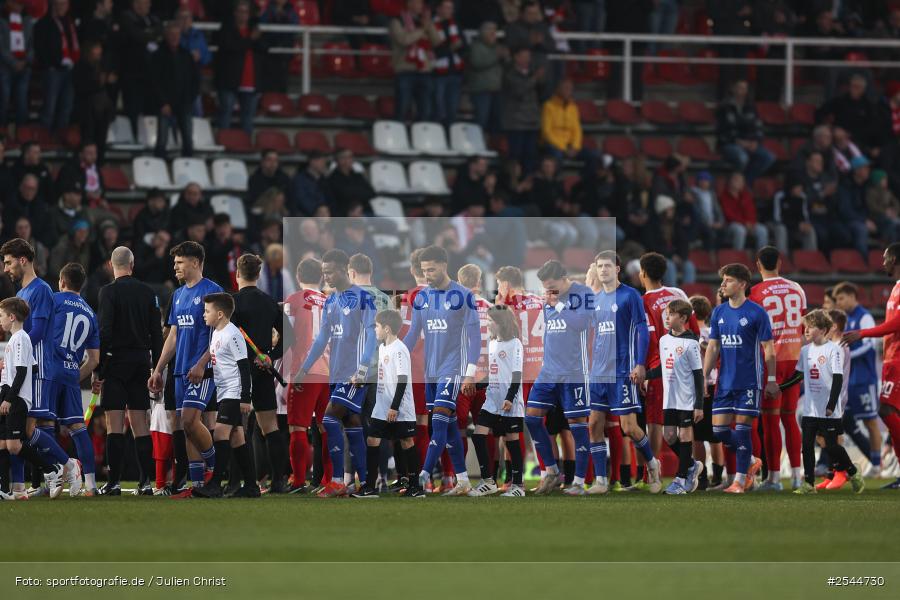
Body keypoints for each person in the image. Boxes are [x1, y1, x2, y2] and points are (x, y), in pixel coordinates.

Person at [295, 249, 378, 497]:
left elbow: (372, 335)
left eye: (330, 272)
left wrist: (363, 369)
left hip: (355, 373)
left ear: (344, 269)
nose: (326, 277)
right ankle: (363, 482)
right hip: (337, 372)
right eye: (323, 272)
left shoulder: (364, 298)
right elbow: (322, 339)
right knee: (351, 423)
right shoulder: (331, 300)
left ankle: (338, 481)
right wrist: (304, 369)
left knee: (329, 418)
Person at [1, 238, 79, 497]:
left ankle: (67, 465)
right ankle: (24, 486)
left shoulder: (41, 290)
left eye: (9, 262)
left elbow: (39, 331)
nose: (6, 268)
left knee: (26, 429)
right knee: (22, 429)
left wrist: (13, 348)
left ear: (23, 260)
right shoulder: (21, 294)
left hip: (36, 368)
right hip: (23, 367)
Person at [402, 245, 481, 495]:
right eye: (424, 270)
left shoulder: (464, 296)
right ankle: (463, 481)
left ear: (444, 266)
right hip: (431, 371)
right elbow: (413, 334)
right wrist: (391, 356)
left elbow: (475, 339)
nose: (427, 275)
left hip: (453, 369)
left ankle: (422, 477)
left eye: (432, 269)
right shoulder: (422, 298)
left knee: (437, 422)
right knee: (447, 428)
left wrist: (469, 373)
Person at [148, 241, 222, 498]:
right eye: (175, 262)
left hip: (202, 370)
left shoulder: (212, 292)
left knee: (191, 421)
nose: (175, 267)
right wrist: (158, 369)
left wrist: (202, 364)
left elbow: (218, 337)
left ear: (195, 262)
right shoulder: (178, 295)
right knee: (187, 425)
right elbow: (173, 336)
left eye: (180, 262)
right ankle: (198, 485)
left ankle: (216, 468)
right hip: (180, 370)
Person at [586, 252, 660, 495]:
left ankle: (652, 464)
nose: (604, 270)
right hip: (599, 372)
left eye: (608, 266)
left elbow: (642, 331)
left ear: (617, 269)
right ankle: (600, 481)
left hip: (622, 371)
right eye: (600, 266)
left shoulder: (630, 296)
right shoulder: (596, 299)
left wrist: (640, 364)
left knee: (628, 427)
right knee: (594, 424)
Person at [703, 263, 778, 494]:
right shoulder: (719, 312)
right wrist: (705, 377)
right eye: (723, 280)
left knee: (743, 430)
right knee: (719, 432)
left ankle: (740, 480)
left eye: (728, 280)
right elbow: (713, 347)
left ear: (742, 284)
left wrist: (772, 378)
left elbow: (769, 349)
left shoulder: (757, 312)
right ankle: (752, 459)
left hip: (749, 381)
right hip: (724, 381)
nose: (723, 284)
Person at [95, 246, 162, 496]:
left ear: (112, 265)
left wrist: (99, 370)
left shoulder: (108, 292)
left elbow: (105, 331)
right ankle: (146, 482)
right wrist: (156, 367)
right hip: (141, 362)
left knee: (114, 424)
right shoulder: (148, 293)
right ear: (132, 265)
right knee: (139, 424)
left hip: (115, 362)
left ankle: (113, 482)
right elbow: (156, 333)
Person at [522, 259, 593, 495]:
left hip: (573, 372)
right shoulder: (549, 300)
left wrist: (559, 305)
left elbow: (582, 323)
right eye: (545, 288)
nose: (548, 292)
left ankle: (579, 482)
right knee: (532, 417)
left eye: (552, 286)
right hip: (549, 371)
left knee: (578, 427)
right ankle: (552, 471)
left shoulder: (583, 293)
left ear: (564, 279)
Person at [782, 310, 863, 495]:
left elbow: (837, 378)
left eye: (811, 327)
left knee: (832, 446)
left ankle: (852, 471)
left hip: (829, 409)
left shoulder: (834, 349)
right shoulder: (805, 351)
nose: (807, 330)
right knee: (807, 446)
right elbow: (799, 375)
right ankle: (809, 484)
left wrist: (831, 405)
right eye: (806, 326)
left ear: (824, 329)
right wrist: (780, 388)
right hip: (810, 408)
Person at [841, 242, 900, 489]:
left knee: (885, 409)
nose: (882, 262)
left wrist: (864, 333)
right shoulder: (896, 287)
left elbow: (897, 323)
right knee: (888, 411)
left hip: (898, 360)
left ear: (896, 259)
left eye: (886, 257)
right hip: (890, 358)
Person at [749, 246, 808, 491]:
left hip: (769, 359)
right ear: (780, 263)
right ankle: (797, 474)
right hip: (795, 359)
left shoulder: (755, 292)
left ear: (757, 265)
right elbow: (804, 326)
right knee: (790, 418)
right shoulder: (797, 289)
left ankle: (773, 478)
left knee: (770, 420)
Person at [230, 253, 288, 493]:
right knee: (270, 426)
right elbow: (289, 337)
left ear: (237, 275)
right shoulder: (269, 302)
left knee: (236, 427)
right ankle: (278, 481)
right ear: (258, 274)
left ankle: (236, 482)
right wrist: (270, 356)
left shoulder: (231, 303)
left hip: (237, 370)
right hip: (263, 368)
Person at [191, 293, 256, 498]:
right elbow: (223, 365)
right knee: (237, 438)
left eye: (207, 311)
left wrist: (245, 397)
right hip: (225, 391)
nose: (204, 315)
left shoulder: (232, 334)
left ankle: (216, 484)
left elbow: (243, 368)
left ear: (219, 314)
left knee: (220, 433)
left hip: (234, 392)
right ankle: (252, 486)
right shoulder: (217, 333)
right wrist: (203, 374)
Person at [352, 309, 423, 498]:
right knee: (372, 439)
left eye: (376, 326)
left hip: (399, 407)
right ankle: (370, 487)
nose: (375, 330)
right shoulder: (383, 347)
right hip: (382, 406)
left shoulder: (399, 349)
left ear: (387, 328)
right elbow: (383, 374)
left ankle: (416, 487)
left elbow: (402, 379)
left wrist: (395, 406)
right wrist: (362, 379)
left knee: (406, 441)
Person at [0, 297, 66, 501]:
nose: (0, 320)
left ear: (12, 317)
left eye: (1, 316)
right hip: (8, 394)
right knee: (2, 444)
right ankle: (4, 489)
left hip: (16, 398)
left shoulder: (20, 338)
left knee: (14, 446)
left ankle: (52, 468)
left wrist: (10, 398)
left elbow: (21, 372)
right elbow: (32, 367)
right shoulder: (16, 339)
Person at [638, 252, 700, 468]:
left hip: (660, 366)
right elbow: (695, 332)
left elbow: (650, 339)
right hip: (684, 367)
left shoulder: (644, 301)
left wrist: (646, 371)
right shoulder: (679, 293)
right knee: (682, 423)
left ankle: (651, 474)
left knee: (655, 423)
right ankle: (689, 468)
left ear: (642, 273)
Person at [47, 262, 99, 496]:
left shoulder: (54, 300)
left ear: (62, 281)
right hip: (70, 373)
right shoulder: (90, 312)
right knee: (78, 427)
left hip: (49, 370)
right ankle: (90, 484)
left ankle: (59, 474)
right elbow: (94, 359)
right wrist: (74, 376)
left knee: (42, 425)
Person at [468, 304, 526, 497]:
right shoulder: (492, 343)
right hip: (492, 400)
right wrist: (476, 385)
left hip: (510, 401)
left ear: (500, 323)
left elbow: (517, 374)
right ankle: (488, 481)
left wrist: (510, 397)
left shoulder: (515, 344)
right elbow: (493, 374)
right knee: (478, 435)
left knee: (512, 442)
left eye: (490, 321)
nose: (487, 323)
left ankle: (518, 486)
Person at [284, 258, 330, 493]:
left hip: (304, 371)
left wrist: (282, 376)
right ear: (321, 277)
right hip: (329, 371)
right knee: (326, 428)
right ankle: (329, 479)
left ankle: (299, 480)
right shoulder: (329, 301)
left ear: (298, 276)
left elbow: (286, 339)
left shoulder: (293, 300)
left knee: (298, 428)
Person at [650, 299, 705, 495]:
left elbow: (699, 376)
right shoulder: (664, 340)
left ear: (682, 318)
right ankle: (691, 466)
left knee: (683, 435)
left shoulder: (691, 344)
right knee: (669, 436)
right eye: (667, 313)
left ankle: (681, 480)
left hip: (687, 398)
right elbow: (662, 368)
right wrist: (645, 376)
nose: (667, 317)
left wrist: (699, 405)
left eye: (671, 314)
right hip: (669, 399)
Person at [833, 281, 884, 477]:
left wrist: (844, 355)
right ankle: (838, 466)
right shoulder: (843, 319)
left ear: (852, 296)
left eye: (841, 298)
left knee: (870, 421)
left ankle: (877, 465)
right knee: (840, 422)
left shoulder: (864, 317)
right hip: (848, 380)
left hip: (864, 379)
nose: (839, 303)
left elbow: (869, 345)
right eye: (837, 300)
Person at [689, 294, 725, 490]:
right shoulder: (714, 332)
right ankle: (718, 476)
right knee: (715, 437)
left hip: (698, 388)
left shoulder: (692, 335)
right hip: (715, 386)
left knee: (698, 437)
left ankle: (702, 477)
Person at [214, 0, 266, 134]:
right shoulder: (226, 29)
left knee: (248, 118)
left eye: (246, 12)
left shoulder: (253, 29)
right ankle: (223, 145)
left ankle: (245, 146)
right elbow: (231, 48)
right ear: (235, 13)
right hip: (229, 81)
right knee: (226, 114)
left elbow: (264, 48)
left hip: (251, 82)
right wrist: (251, 39)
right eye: (241, 11)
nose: (243, 15)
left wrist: (255, 38)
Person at [151, 21, 197, 159]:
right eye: (171, 34)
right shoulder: (158, 55)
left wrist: (190, 99)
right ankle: (159, 166)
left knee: (188, 139)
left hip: (184, 103)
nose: (174, 37)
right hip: (165, 103)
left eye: (177, 34)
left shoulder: (186, 55)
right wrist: (162, 102)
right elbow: (154, 81)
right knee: (162, 140)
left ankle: (189, 165)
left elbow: (195, 79)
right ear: (166, 35)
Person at [716, 79, 775, 185]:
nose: (742, 91)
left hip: (749, 143)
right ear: (733, 89)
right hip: (730, 143)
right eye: (739, 87)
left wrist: (756, 141)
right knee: (742, 158)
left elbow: (758, 127)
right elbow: (723, 131)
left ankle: (746, 182)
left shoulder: (751, 107)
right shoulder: (724, 107)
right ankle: (735, 183)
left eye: (744, 88)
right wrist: (740, 142)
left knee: (769, 157)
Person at [389, 0, 439, 121]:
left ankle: (419, 137)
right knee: (402, 109)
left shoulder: (424, 21)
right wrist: (422, 30)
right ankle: (399, 137)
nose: (420, 6)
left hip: (424, 71)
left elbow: (437, 41)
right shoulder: (397, 21)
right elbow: (404, 40)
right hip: (405, 70)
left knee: (425, 110)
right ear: (409, 4)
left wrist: (429, 26)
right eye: (417, 2)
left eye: (421, 3)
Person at [118, 0, 162, 133]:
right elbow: (136, 35)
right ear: (136, 4)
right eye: (145, 2)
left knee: (150, 109)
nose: (149, 5)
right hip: (133, 74)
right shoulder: (126, 17)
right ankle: (133, 137)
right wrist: (149, 36)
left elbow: (160, 32)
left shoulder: (153, 18)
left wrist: (146, 35)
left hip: (151, 75)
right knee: (133, 109)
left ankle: (148, 138)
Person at [34, 0, 78, 132]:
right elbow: (40, 48)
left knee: (67, 106)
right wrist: (51, 64)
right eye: (58, 4)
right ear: (52, 5)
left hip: (69, 70)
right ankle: (43, 137)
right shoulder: (43, 23)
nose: (61, 7)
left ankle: (61, 136)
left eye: (64, 4)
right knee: (49, 107)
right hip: (52, 71)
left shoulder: (70, 23)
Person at [502, 47, 542, 173]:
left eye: (528, 56)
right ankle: (512, 183)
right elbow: (518, 91)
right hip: (516, 123)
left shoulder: (532, 73)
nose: (527, 59)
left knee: (530, 156)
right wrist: (534, 79)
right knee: (515, 156)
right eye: (524, 56)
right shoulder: (509, 74)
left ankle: (527, 185)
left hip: (532, 122)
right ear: (516, 57)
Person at [72, 41, 114, 160]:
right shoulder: (81, 66)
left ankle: (99, 164)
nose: (99, 51)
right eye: (96, 48)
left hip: (102, 110)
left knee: (101, 139)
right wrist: (101, 82)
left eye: (99, 48)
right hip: (87, 110)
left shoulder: (101, 66)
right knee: (87, 139)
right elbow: (82, 87)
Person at [0, 1, 34, 129]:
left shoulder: (27, 18)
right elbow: (1, 46)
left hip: (24, 66)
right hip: (4, 66)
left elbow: (31, 43)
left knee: (22, 101)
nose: (18, 6)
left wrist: (26, 60)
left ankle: (21, 132)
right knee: (3, 100)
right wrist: (13, 62)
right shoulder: (2, 18)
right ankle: (2, 131)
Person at [431, 0, 464, 126]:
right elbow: (433, 50)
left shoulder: (456, 25)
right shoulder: (431, 26)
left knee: (452, 110)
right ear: (438, 9)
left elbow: (463, 45)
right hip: (438, 74)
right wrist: (451, 48)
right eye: (446, 8)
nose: (449, 11)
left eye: (451, 8)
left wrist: (456, 48)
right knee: (438, 110)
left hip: (455, 72)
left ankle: (450, 137)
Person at [466, 21, 504, 132]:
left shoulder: (497, 47)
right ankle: (477, 144)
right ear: (483, 33)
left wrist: (506, 57)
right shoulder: (476, 46)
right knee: (481, 119)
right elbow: (477, 63)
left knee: (496, 120)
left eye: (494, 31)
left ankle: (492, 144)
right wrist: (496, 56)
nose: (493, 34)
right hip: (481, 91)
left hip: (496, 89)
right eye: (490, 31)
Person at [720, 172, 769, 251]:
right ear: (730, 181)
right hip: (730, 225)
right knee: (740, 230)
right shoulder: (723, 196)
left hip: (748, 224)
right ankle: (738, 256)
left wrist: (751, 223)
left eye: (741, 181)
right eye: (736, 180)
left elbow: (752, 211)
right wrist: (744, 223)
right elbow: (728, 215)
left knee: (762, 230)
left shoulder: (746, 195)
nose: (739, 183)